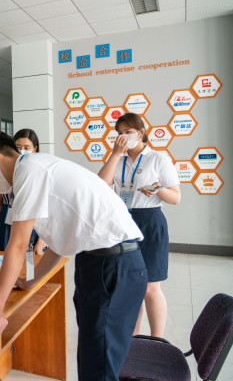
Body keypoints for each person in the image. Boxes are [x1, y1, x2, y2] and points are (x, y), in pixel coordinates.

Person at [0, 131, 146, 381]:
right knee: (94, 359)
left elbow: (18, 244)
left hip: (112, 265)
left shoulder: (29, 170)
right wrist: (31, 282)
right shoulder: (40, 167)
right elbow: (59, 245)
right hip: (103, 262)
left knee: (99, 368)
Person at [98, 113, 181, 338]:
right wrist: (115, 154)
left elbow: (176, 197)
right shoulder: (119, 160)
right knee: (130, 286)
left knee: (150, 287)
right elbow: (101, 185)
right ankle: (133, 339)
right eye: (119, 133)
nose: (123, 137)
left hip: (150, 222)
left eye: (128, 132)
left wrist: (158, 190)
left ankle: (156, 339)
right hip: (124, 223)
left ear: (141, 133)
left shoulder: (158, 159)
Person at [0, 129, 46, 253]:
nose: (22, 150)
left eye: (26, 147)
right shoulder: (5, 169)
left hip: (29, 221)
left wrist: (41, 241)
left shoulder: (38, 172)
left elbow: (46, 211)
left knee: (26, 259)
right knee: (2, 257)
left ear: (34, 149)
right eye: (18, 146)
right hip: (5, 220)